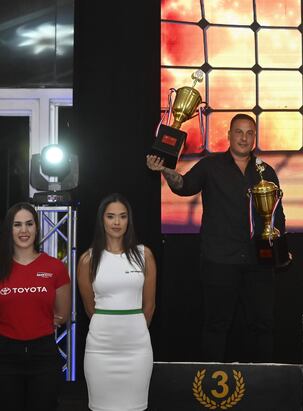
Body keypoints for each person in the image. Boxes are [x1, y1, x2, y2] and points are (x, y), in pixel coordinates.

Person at [146, 113, 285, 362]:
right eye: (239, 132)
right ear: (229, 135)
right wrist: (166, 170)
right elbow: (184, 186)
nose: (244, 138)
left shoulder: (266, 171)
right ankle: (211, 388)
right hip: (219, 260)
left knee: (262, 325)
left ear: (255, 137)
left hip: (259, 262)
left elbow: (277, 215)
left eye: (249, 133)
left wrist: (279, 251)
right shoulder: (210, 166)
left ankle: (266, 384)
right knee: (216, 326)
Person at [78, 194, 156, 411]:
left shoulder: (144, 255)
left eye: (122, 216)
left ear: (128, 220)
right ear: (102, 220)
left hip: (137, 350)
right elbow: (89, 308)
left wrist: (133, 328)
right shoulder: (88, 259)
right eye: (111, 216)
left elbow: (149, 306)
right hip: (100, 351)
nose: (116, 222)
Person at [0, 202, 71, 411]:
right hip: (5, 356)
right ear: (9, 229)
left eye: (29, 224)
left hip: (44, 356)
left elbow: (63, 314)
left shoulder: (55, 268)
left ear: (37, 228)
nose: (24, 230)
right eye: (17, 225)